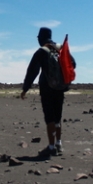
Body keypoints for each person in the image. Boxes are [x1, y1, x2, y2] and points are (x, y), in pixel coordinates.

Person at [20, 27, 75, 157]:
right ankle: (59, 144)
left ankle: (51, 147)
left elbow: (32, 71)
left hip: (47, 88)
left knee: (49, 117)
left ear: (40, 38)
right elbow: (73, 63)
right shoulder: (60, 48)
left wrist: (25, 89)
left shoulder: (41, 51)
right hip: (60, 88)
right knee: (57, 117)